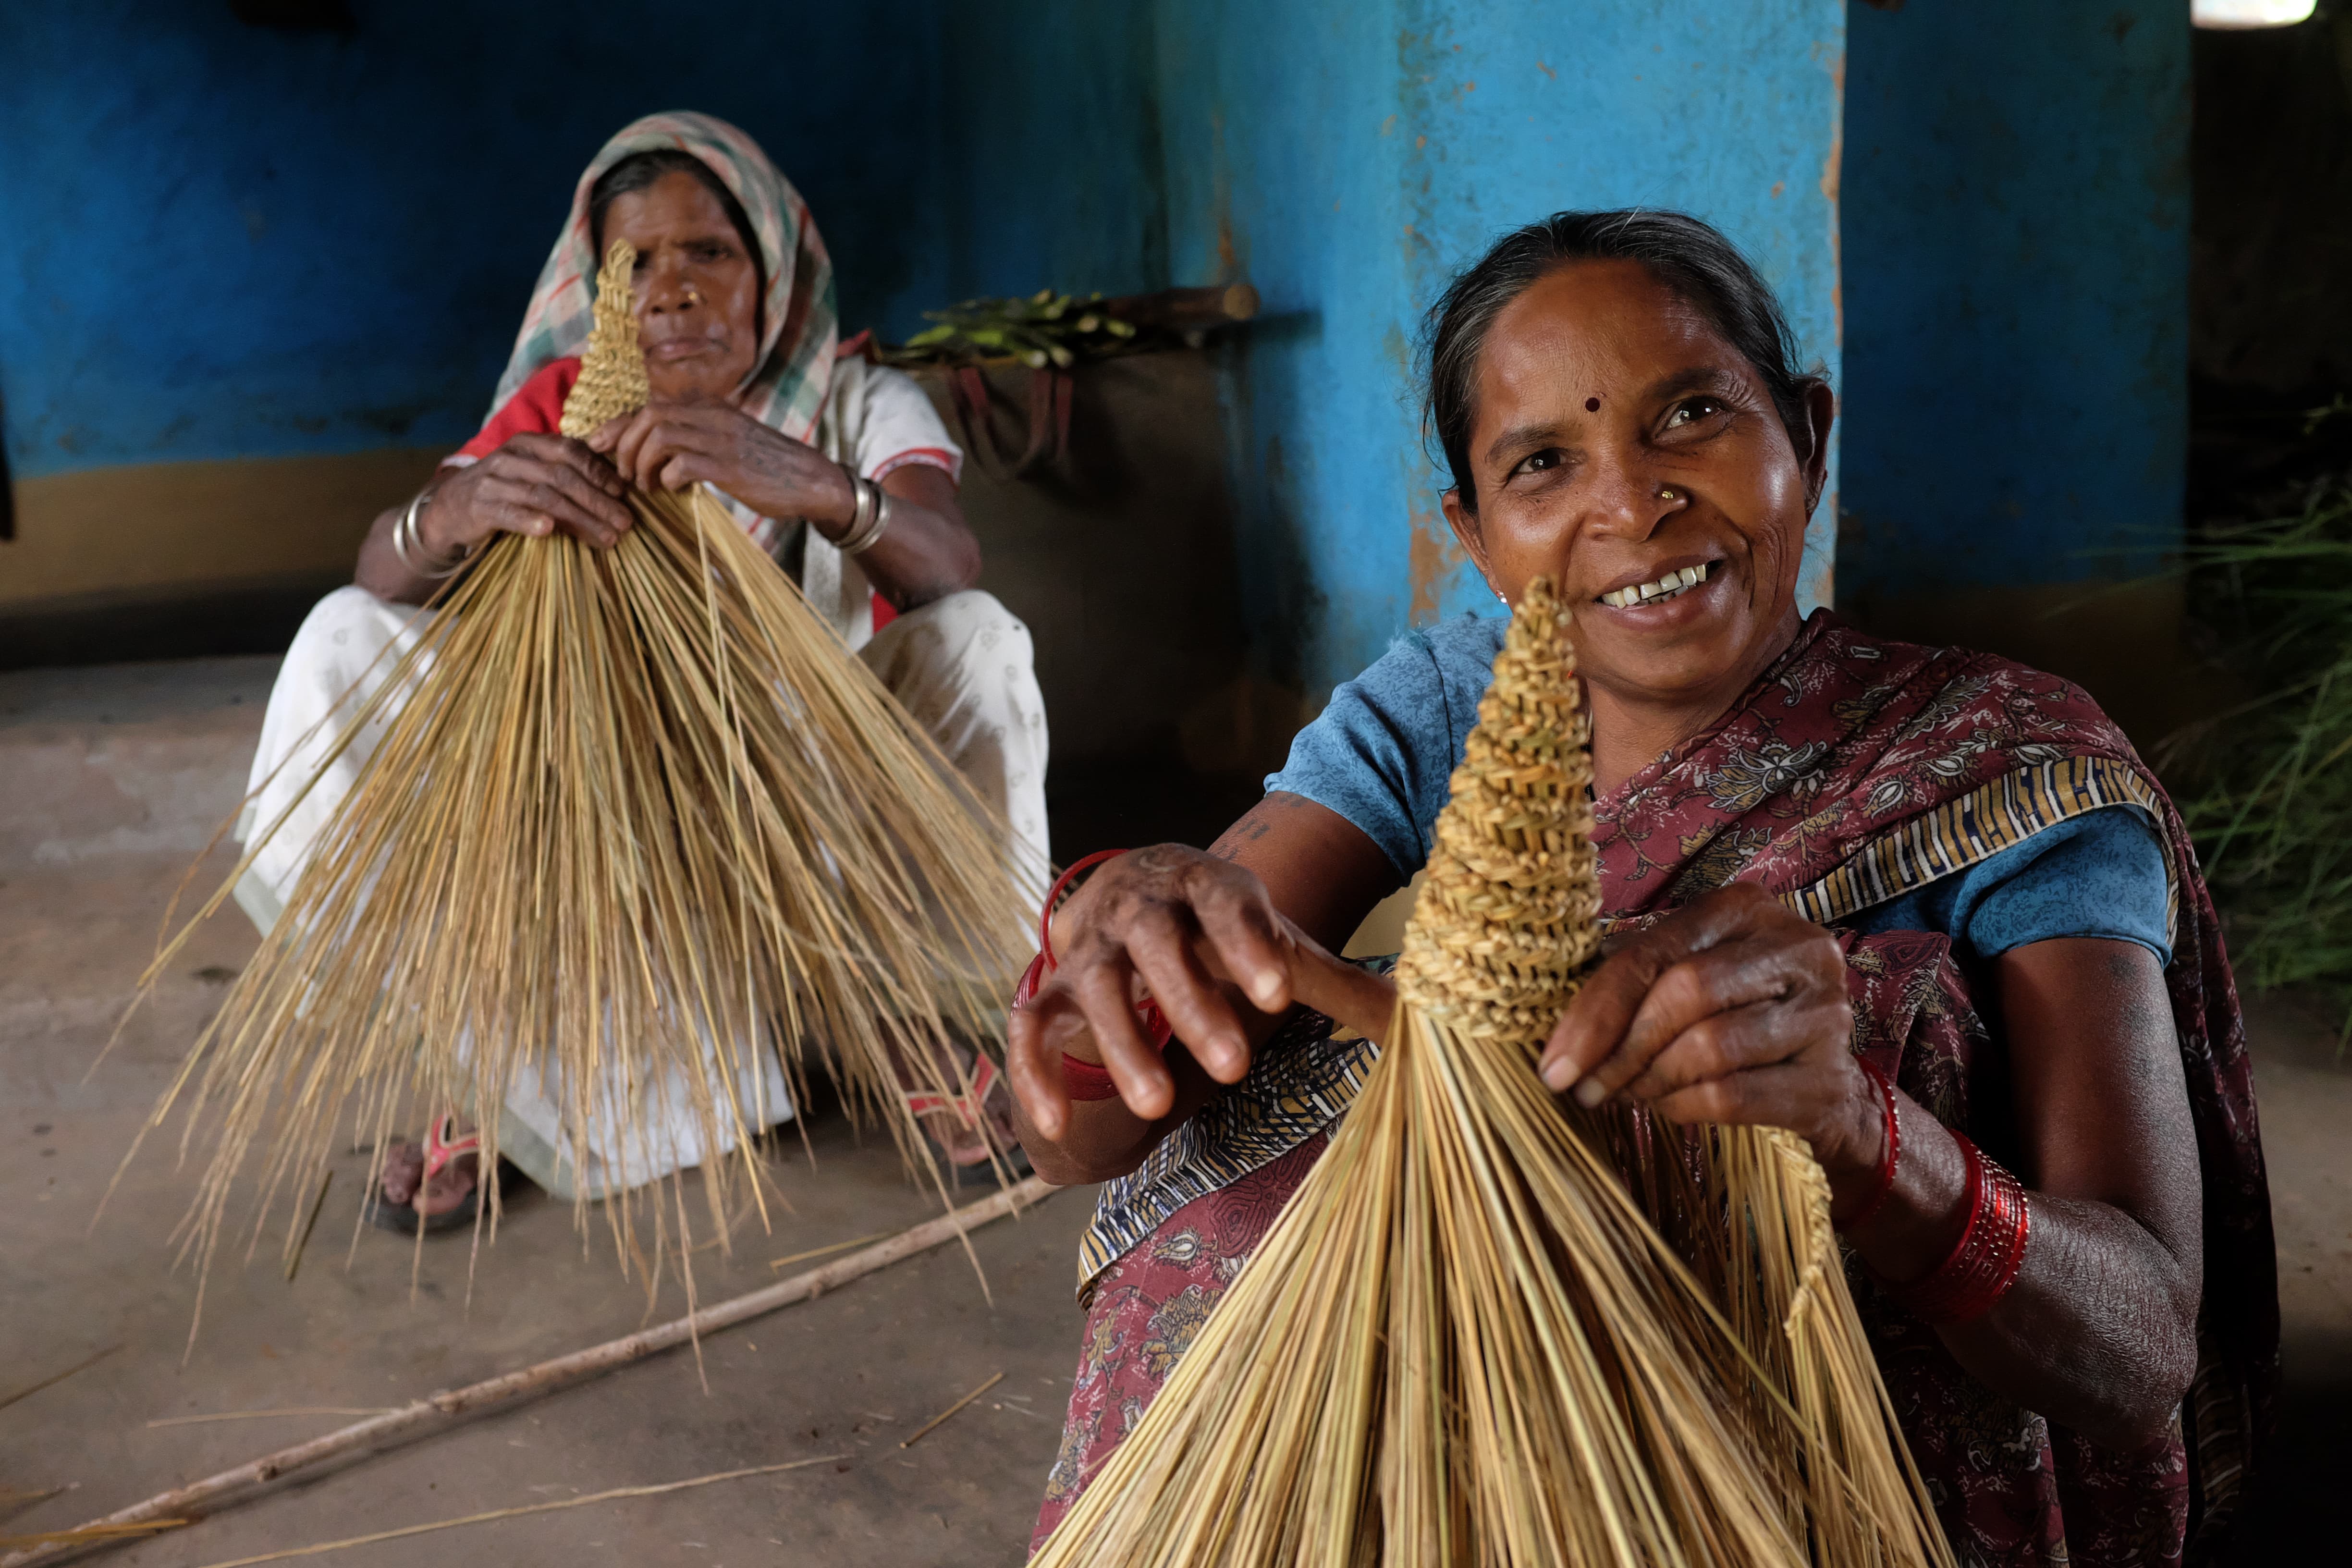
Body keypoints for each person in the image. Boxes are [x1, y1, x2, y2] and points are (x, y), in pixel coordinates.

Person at [1006, 211, 2277, 1566]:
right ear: (1481, 537)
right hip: (1405, 1444)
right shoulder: (1446, 708)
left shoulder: (2007, 770)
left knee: (1907, 1019)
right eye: (1545, 461)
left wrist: (1866, 1136)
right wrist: (1130, 951)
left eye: (1691, 416)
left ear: (1807, 438)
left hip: (1788, 1487)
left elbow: (2142, 1345)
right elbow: (1095, 1135)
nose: (1630, 500)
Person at [237, 111, 1045, 1226]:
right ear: (598, 292)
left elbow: (950, 560)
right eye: (636, 263)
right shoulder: (561, 409)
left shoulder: (857, 403)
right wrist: (459, 506)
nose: (671, 290)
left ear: (772, 266)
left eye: (708, 252)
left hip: (822, 825)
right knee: (340, 636)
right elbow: (384, 575)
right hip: (595, 819)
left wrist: (812, 482)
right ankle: (493, 1059)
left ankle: (911, 1007)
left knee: (981, 639)